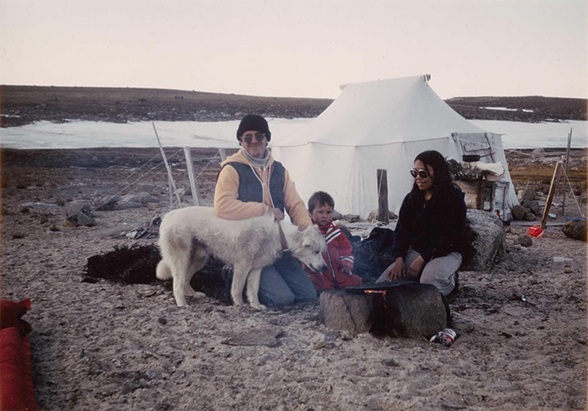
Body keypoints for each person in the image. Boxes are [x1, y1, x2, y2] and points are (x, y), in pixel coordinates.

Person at [214, 114, 317, 307]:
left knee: (308, 295)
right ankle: (233, 273)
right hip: (250, 247)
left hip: (278, 245)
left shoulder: (278, 170)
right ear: (241, 140)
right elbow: (222, 206)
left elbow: (294, 204)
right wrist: (264, 210)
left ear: (267, 138)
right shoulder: (232, 169)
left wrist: (305, 226)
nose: (254, 141)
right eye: (248, 137)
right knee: (282, 299)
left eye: (259, 136)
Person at [376, 150, 466, 296]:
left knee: (428, 283)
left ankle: (451, 281)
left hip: (447, 251)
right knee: (384, 284)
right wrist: (399, 258)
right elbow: (401, 232)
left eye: (423, 173)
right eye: (415, 173)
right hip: (418, 250)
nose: (418, 178)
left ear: (437, 172)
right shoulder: (412, 199)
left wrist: (423, 258)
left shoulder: (453, 198)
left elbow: (451, 236)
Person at [304, 191, 362, 292]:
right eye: (320, 212)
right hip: (319, 274)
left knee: (356, 281)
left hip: (337, 271)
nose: (325, 216)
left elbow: (346, 248)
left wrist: (346, 264)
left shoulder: (335, 232)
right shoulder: (308, 233)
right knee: (323, 287)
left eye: (328, 212)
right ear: (310, 214)